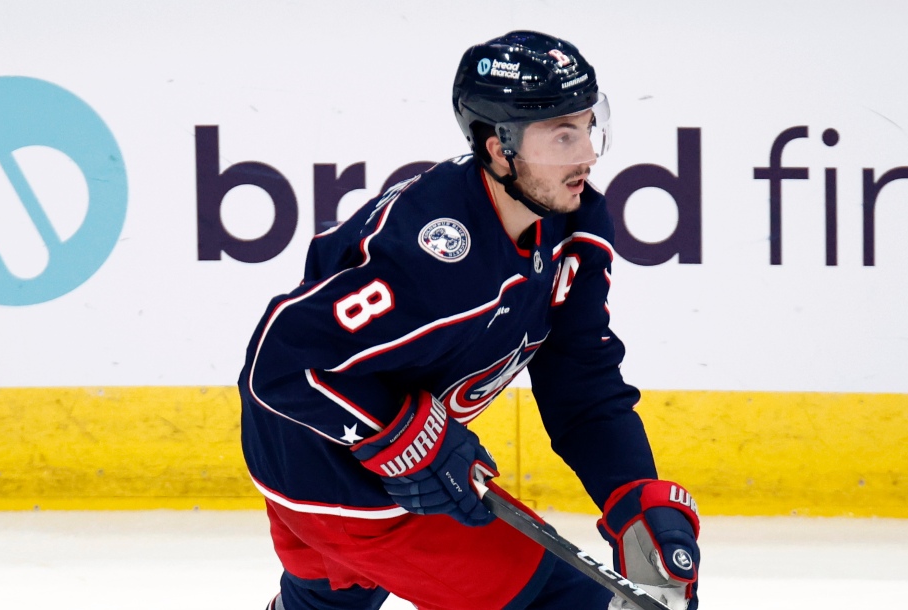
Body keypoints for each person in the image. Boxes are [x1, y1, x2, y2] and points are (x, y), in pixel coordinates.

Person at [238, 30, 701, 610]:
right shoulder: (429, 249)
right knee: (559, 600)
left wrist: (631, 490)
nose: (585, 153)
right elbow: (282, 365)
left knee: (332, 598)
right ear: (498, 147)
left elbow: (580, 381)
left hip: (349, 471)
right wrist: (404, 436)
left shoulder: (577, 225)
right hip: (339, 483)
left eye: (587, 126)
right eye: (561, 135)